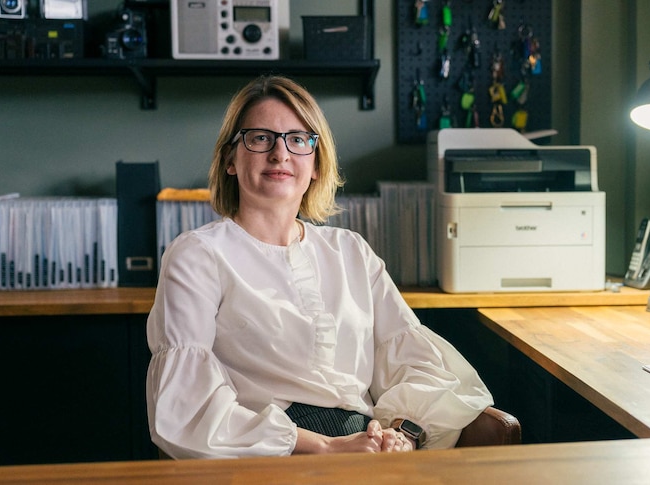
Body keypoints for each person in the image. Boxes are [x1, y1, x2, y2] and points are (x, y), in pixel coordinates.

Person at [145, 75, 493, 459]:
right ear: (230, 159)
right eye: (260, 138)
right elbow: (187, 408)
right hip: (267, 463)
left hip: (368, 454)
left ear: (315, 163)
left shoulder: (351, 251)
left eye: (298, 140)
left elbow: (420, 364)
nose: (280, 154)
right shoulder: (197, 255)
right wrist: (324, 446)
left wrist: (402, 434)